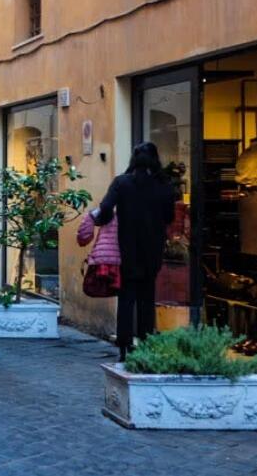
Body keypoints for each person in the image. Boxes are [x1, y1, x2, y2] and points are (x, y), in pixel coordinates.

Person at [94, 141, 176, 361]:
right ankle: (146, 343)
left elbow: (105, 208)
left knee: (126, 298)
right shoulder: (164, 184)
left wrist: (107, 220)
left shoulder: (122, 183)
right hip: (152, 249)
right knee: (147, 298)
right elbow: (169, 217)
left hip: (126, 249)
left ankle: (124, 346)